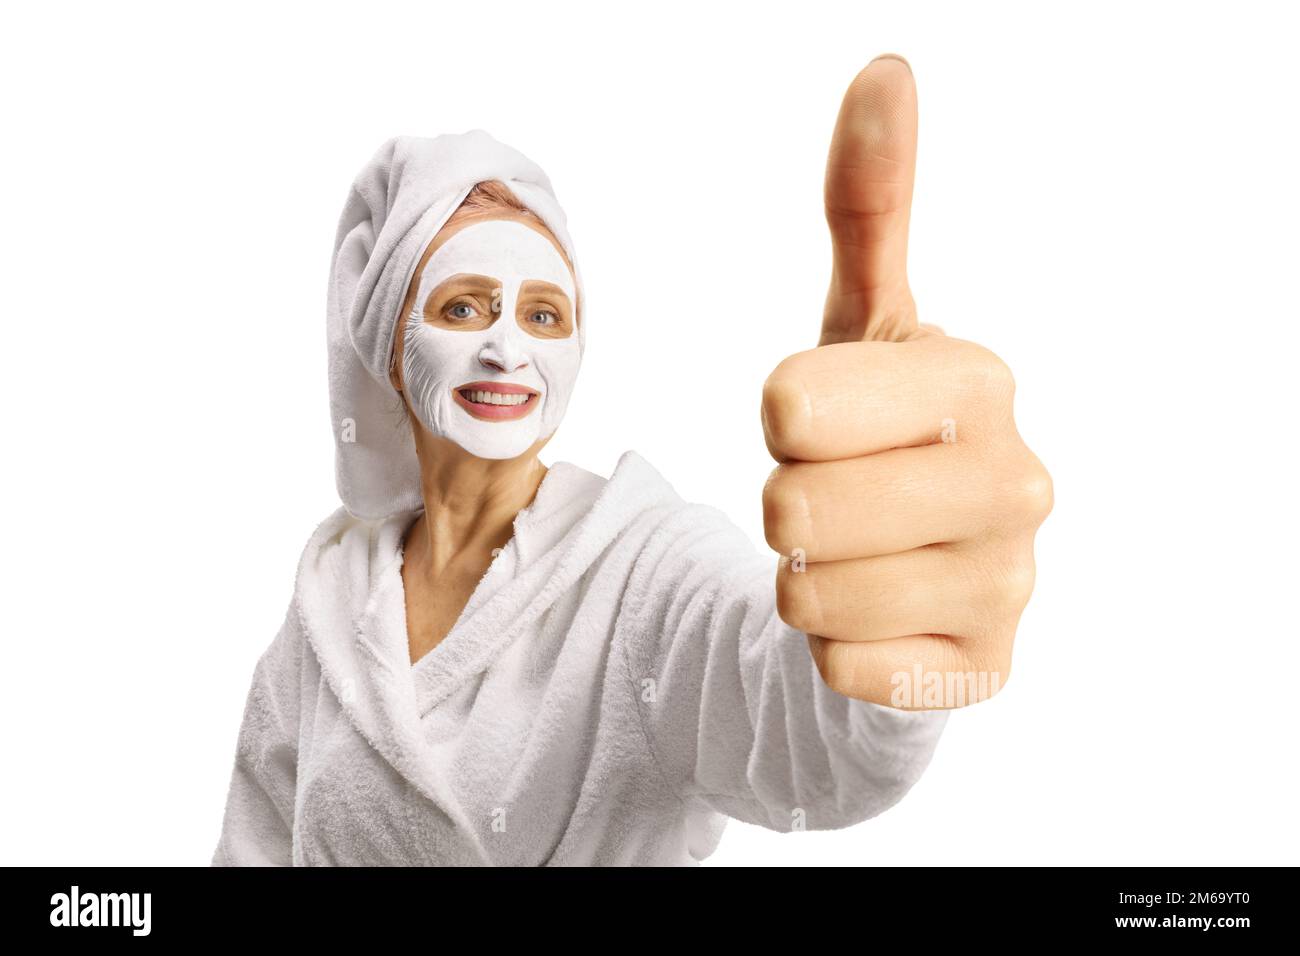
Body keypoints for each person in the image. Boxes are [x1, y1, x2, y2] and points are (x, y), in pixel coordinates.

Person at [211, 54, 1052, 866]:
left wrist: (891, 630)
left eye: (543, 316)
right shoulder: (327, 602)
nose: (508, 349)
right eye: (464, 307)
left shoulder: (641, 567)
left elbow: (815, 737)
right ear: (390, 349)